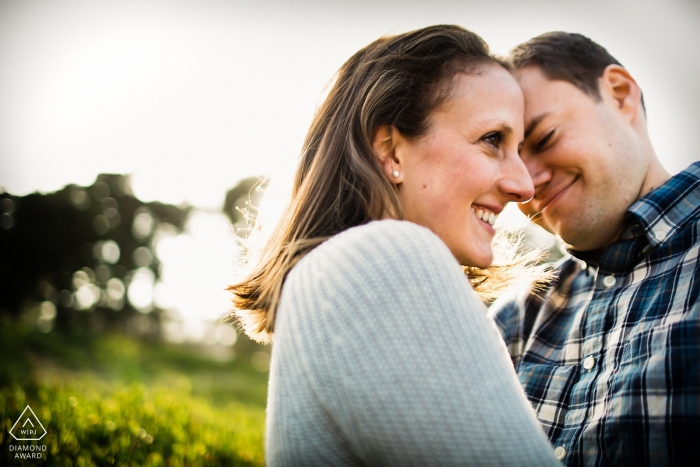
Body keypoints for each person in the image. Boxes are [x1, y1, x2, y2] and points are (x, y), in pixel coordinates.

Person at [229, 25, 561, 466]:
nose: (523, 185)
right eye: (493, 140)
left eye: (520, 148)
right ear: (391, 152)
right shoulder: (383, 258)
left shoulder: (338, 270)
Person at [488, 32, 700, 467]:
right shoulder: (514, 321)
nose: (526, 186)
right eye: (506, 162)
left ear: (620, 95)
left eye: (544, 138)